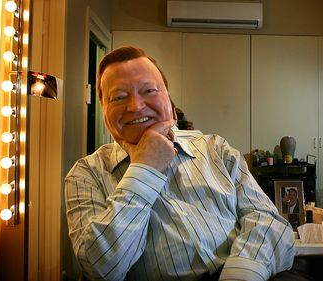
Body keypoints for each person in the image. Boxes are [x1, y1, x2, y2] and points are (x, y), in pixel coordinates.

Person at [65, 46, 295, 281]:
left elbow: (270, 223)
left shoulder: (216, 149)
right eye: (119, 97)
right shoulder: (86, 174)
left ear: (171, 105)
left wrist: (241, 274)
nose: (135, 106)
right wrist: (144, 169)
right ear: (104, 110)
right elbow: (101, 268)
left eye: (148, 91)